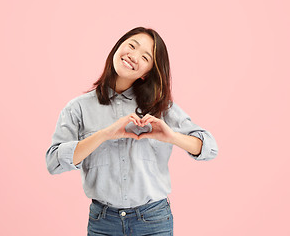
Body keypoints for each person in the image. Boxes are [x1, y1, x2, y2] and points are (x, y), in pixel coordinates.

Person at [45, 26, 219, 236]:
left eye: (145, 57)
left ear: (147, 74)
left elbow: (209, 148)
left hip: (153, 221)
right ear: (117, 47)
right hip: (103, 223)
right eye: (132, 46)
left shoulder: (160, 107)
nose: (134, 56)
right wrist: (105, 134)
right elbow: (53, 162)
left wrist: (172, 137)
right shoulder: (78, 108)